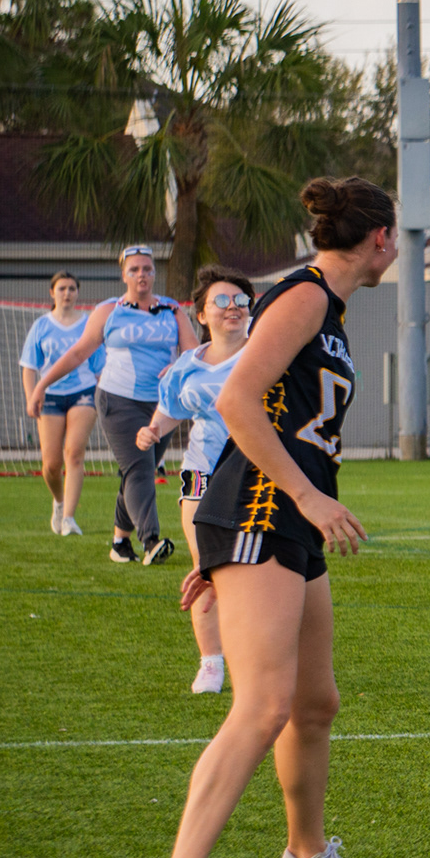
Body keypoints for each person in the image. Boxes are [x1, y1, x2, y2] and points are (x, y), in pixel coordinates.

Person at [134, 177, 399, 858]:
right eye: (398, 237)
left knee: (315, 702)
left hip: (278, 524)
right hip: (260, 510)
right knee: (261, 706)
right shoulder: (306, 295)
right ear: (379, 238)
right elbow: (236, 401)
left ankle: (308, 856)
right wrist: (306, 502)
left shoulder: (332, 311)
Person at [27, 244, 197, 565]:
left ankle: (120, 542)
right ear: (124, 275)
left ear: (154, 273)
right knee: (140, 468)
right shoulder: (109, 310)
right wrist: (42, 385)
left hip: (162, 405)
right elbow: (78, 353)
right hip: (117, 400)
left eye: (147, 268)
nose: (141, 275)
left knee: (136, 471)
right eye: (134, 270)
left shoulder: (173, 311)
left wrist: (177, 368)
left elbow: (193, 354)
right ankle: (151, 542)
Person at [136, 266, 253, 695]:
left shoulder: (266, 348)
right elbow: (168, 413)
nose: (233, 308)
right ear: (201, 314)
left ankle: (259, 653)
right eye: (221, 301)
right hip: (203, 472)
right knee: (207, 564)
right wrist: (151, 431)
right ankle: (211, 662)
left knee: (259, 569)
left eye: (240, 300)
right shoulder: (187, 366)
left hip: (257, 471)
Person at [17, 271, 104, 535]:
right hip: (50, 397)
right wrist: (32, 396)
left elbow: (100, 367)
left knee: (74, 454)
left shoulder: (90, 325)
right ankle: (58, 501)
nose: (67, 293)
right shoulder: (41, 326)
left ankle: (69, 518)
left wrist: (105, 398)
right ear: (52, 292)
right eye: (62, 288)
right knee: (51, 464)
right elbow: (29, 367)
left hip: (83, 393)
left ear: (78, 293)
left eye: (72, 288)